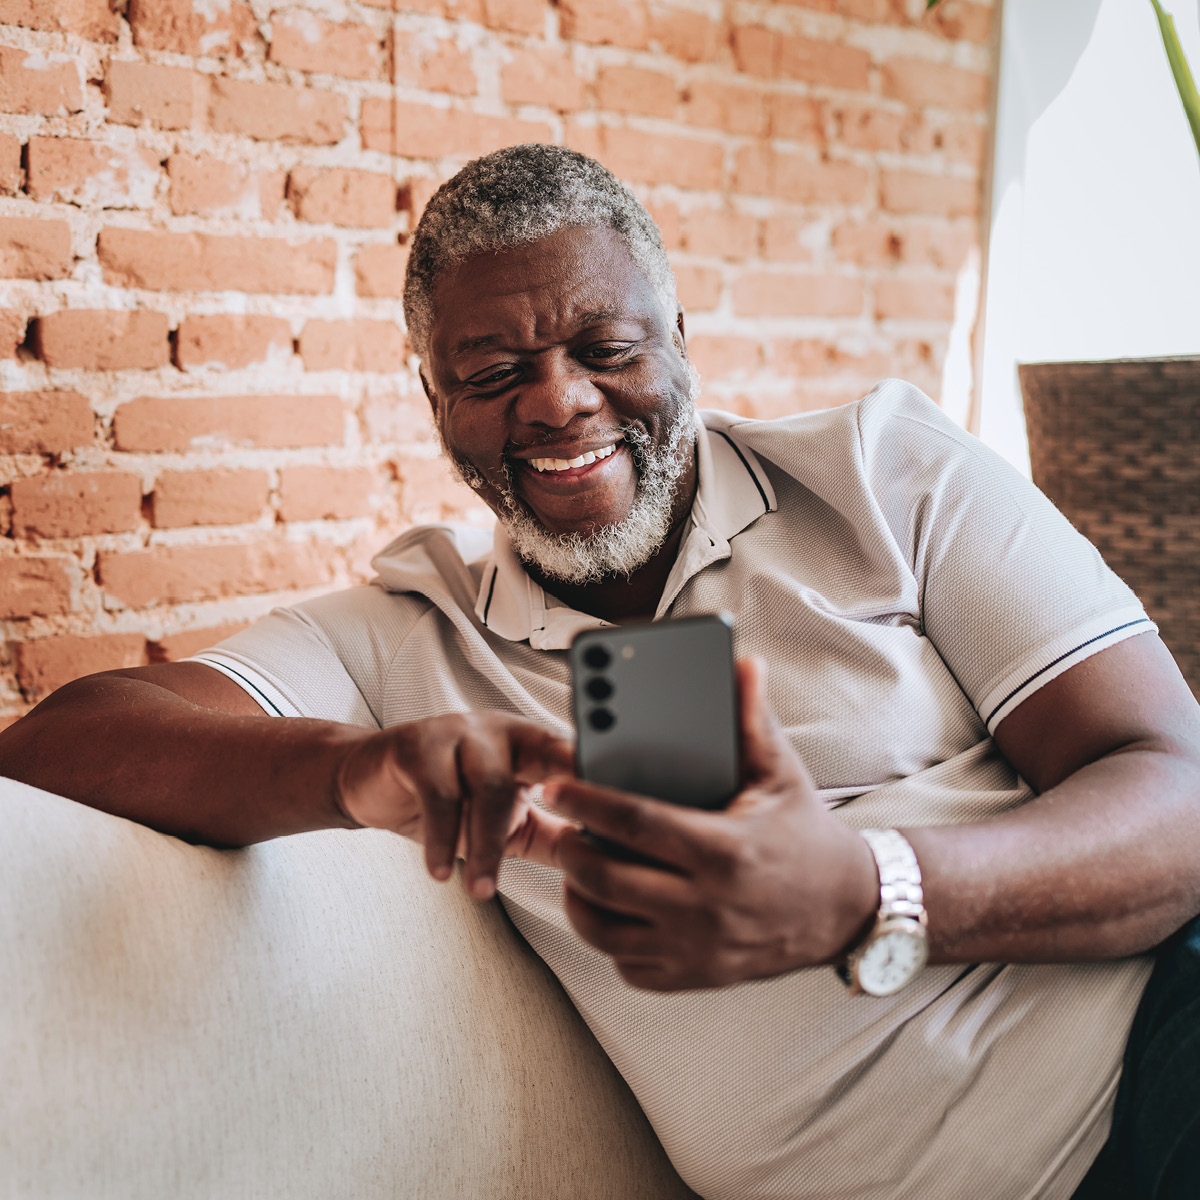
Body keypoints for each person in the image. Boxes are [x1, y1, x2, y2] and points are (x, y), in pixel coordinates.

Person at [2, 143, 1198, 1199]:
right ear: (436, 403)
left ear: (680, 337)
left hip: (1158, 1060)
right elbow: (56, 745)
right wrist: (356, 770)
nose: (559, 403)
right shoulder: (401, 635)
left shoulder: (887, 474)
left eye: (605, 346)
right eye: (491, 375)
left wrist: (860, 888)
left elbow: (1177, 791)